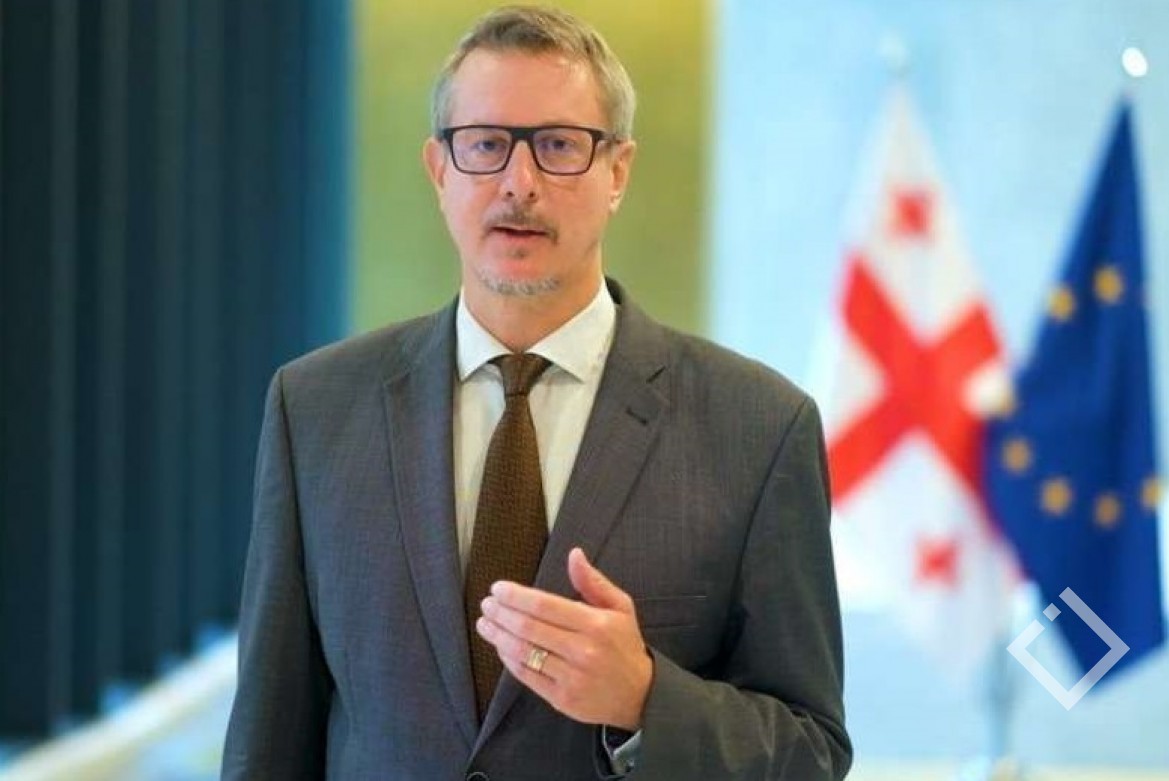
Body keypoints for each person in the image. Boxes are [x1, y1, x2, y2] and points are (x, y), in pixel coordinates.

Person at [221, 5, 850, 780]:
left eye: (558, 146)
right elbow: (269, 738)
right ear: (439, 170)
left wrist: (647, 700)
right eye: (486, 144)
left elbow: (812, 751)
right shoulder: (314, 409)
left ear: (617, 172)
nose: (519, 183)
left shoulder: (760, 428)